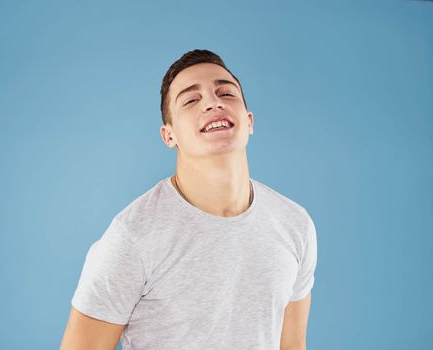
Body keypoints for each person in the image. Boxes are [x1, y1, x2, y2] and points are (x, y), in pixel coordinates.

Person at [60, 49, 318, 350]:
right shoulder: (131, 238)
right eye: (191, 100)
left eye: (226, 92)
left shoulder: (295, 224)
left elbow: (293, 345)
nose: (213, 102)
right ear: (169, 135)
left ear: (249, 121)